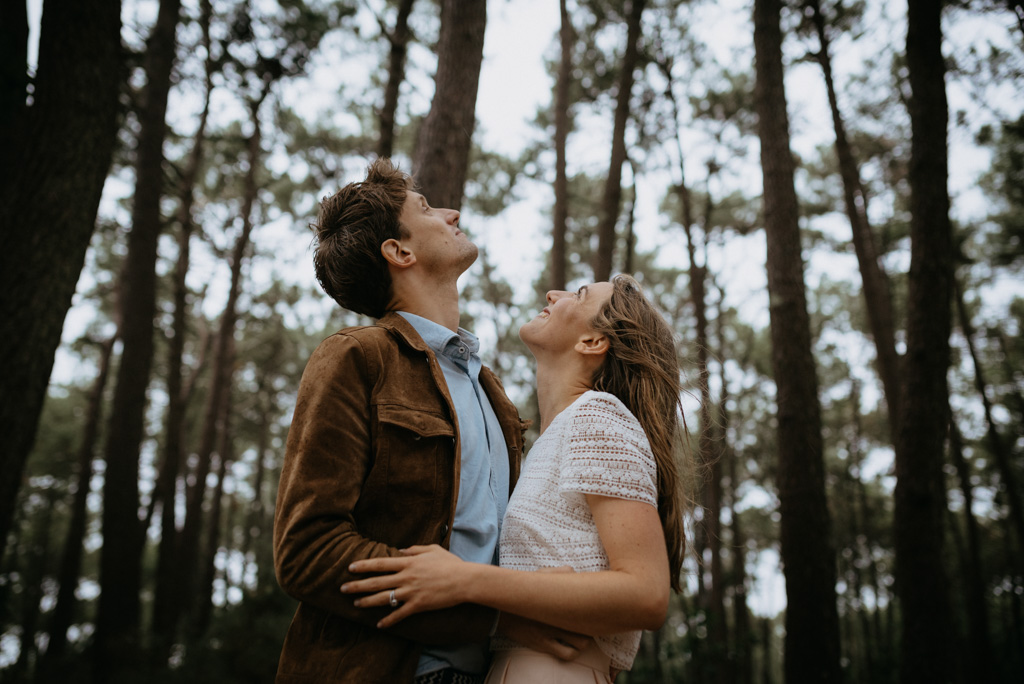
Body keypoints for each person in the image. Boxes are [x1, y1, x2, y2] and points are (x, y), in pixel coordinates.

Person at [273, 158, 591, 684]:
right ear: (399, 252)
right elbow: (308, 550)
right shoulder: (357, 357)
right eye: (425, 208)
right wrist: (488, 615)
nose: (452, 212)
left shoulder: (491, 390)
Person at [342, 274, 688, 683]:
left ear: (592, 343)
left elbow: (645, 595)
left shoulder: (597, 416)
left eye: (577, 296)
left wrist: (464, 580)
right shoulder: (555, 437)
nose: (552, 294)